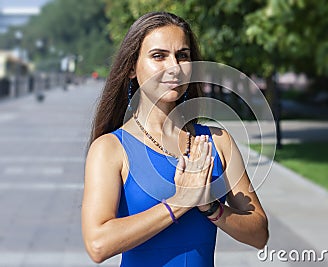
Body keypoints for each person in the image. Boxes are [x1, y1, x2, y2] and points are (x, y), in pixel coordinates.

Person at [82, 11, 269, 266]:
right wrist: (179, 203)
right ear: (131, 68)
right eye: (158, 56)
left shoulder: (218, 141)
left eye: (182, 55)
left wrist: (212, 207)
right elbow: (98, 245)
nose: (174, 67)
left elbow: (259, 234)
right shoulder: (110, 149)